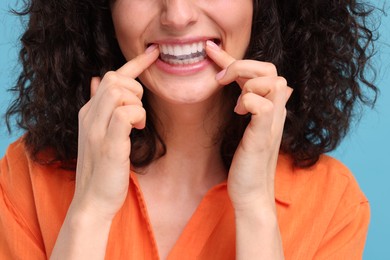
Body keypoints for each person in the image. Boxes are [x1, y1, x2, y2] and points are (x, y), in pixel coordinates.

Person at [0, 0, 379, 259]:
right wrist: (91, 211)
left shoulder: (333, 205)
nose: (177, 15)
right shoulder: (25, 180)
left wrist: (255, 210)